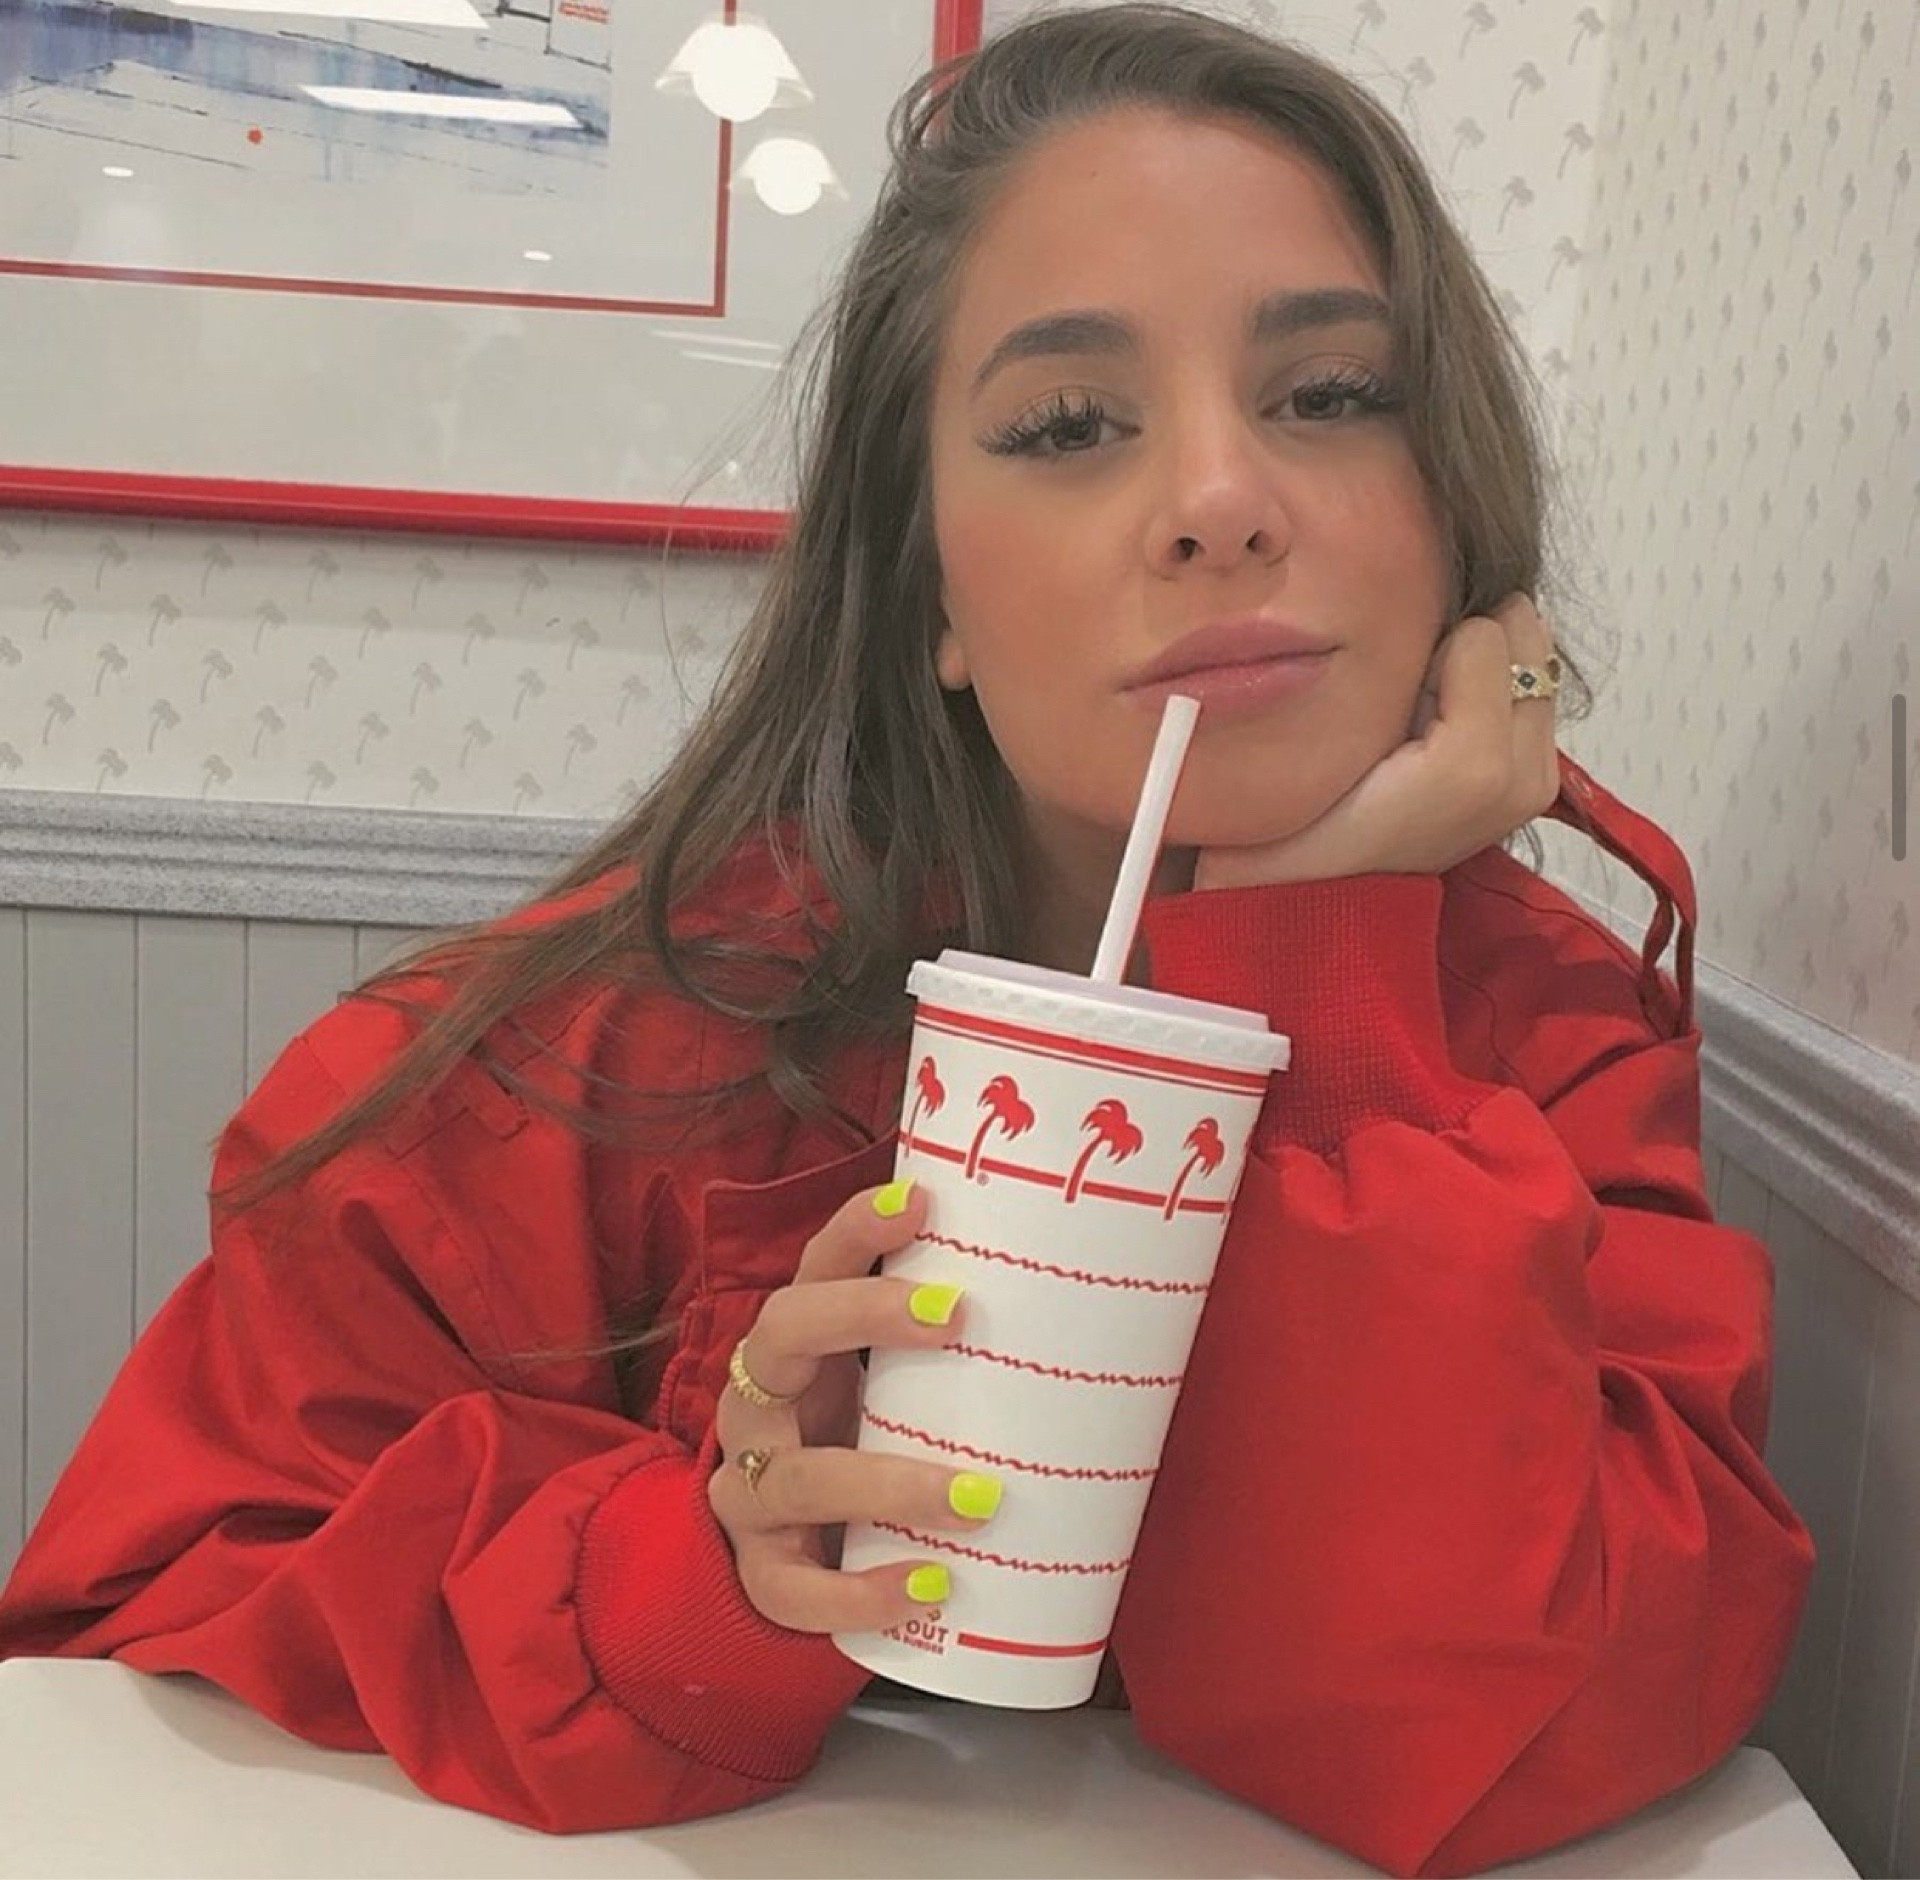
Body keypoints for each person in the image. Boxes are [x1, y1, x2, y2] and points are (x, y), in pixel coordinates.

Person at [0, 7, 1812, 1876]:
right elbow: (152, 1601)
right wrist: (704, 1581)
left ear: (1456, 518)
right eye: (1069, 427)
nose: (1219, 504)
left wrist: (1318, 969)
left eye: (1332, 395)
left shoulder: (1553, 1036)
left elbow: (1521, 1724)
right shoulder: (568, 1068)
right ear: (929, 585)